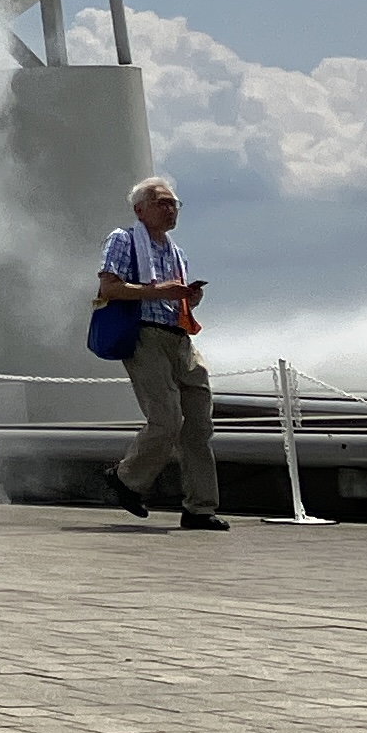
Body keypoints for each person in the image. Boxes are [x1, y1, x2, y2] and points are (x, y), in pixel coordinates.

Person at [98, 174, 225, 530]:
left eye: (174, 204)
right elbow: (109, 288)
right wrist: (160, 292)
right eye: (162, 203)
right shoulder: (123, 239)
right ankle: (126, 479)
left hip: (179, 337)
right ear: (140, 210)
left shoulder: (175, 251)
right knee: (167, 418)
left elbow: (169, 295)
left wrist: (187, 298)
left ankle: (200, 508)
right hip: (145, 335)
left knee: (198, 423)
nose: (171, 210)